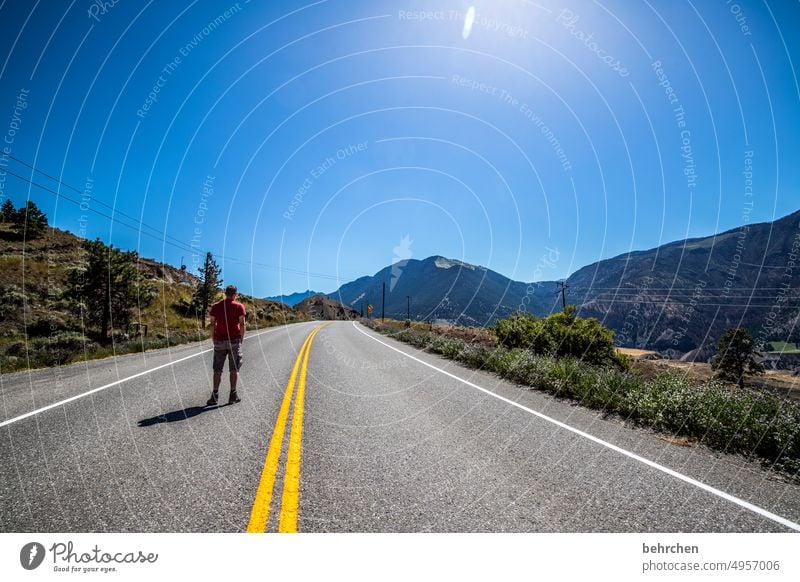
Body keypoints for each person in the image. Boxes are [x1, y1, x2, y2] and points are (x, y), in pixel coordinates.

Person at [207, 284, 246, 406]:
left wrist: (213, 338)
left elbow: (212, 324)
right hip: (234, 340)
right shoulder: (239, 306)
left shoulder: (216, 306)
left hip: (219, 340)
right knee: (234, 368)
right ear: (235, 294)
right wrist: (241, 338)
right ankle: (232, 395)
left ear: (225, 293)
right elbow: (242, 324)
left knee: (217, 369)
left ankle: (214, 395)